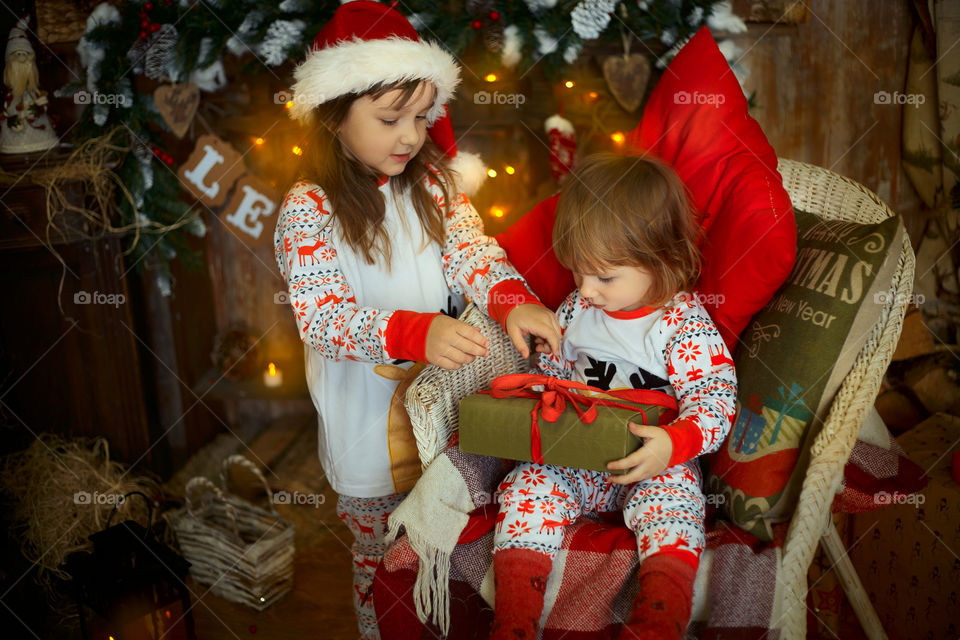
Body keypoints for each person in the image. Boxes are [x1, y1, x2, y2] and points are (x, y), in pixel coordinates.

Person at [273, 3, 561, 638]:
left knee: (443, 536)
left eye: (421, 117)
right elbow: (323, 317)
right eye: (389, 119)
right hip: (366, 429)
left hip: (442, 410)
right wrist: (415, 331)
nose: (409, 136)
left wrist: (511, 299)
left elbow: (471, 252)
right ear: (334, 116)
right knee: (381, 556)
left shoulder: (432, 185)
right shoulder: (309, 209)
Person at [491, 153, 737, 640]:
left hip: (650, 464)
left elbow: (715, 397)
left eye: (604, 277)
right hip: (574, 459)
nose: (586, 289)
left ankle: (657, 623)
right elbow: (557, 373)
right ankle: (515, 619)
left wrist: (675, 444)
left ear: (662, 261)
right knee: (525, 488)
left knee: (675, 511)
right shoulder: (578, 309)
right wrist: (545, 380)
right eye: (578, 272)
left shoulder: (680, 324)